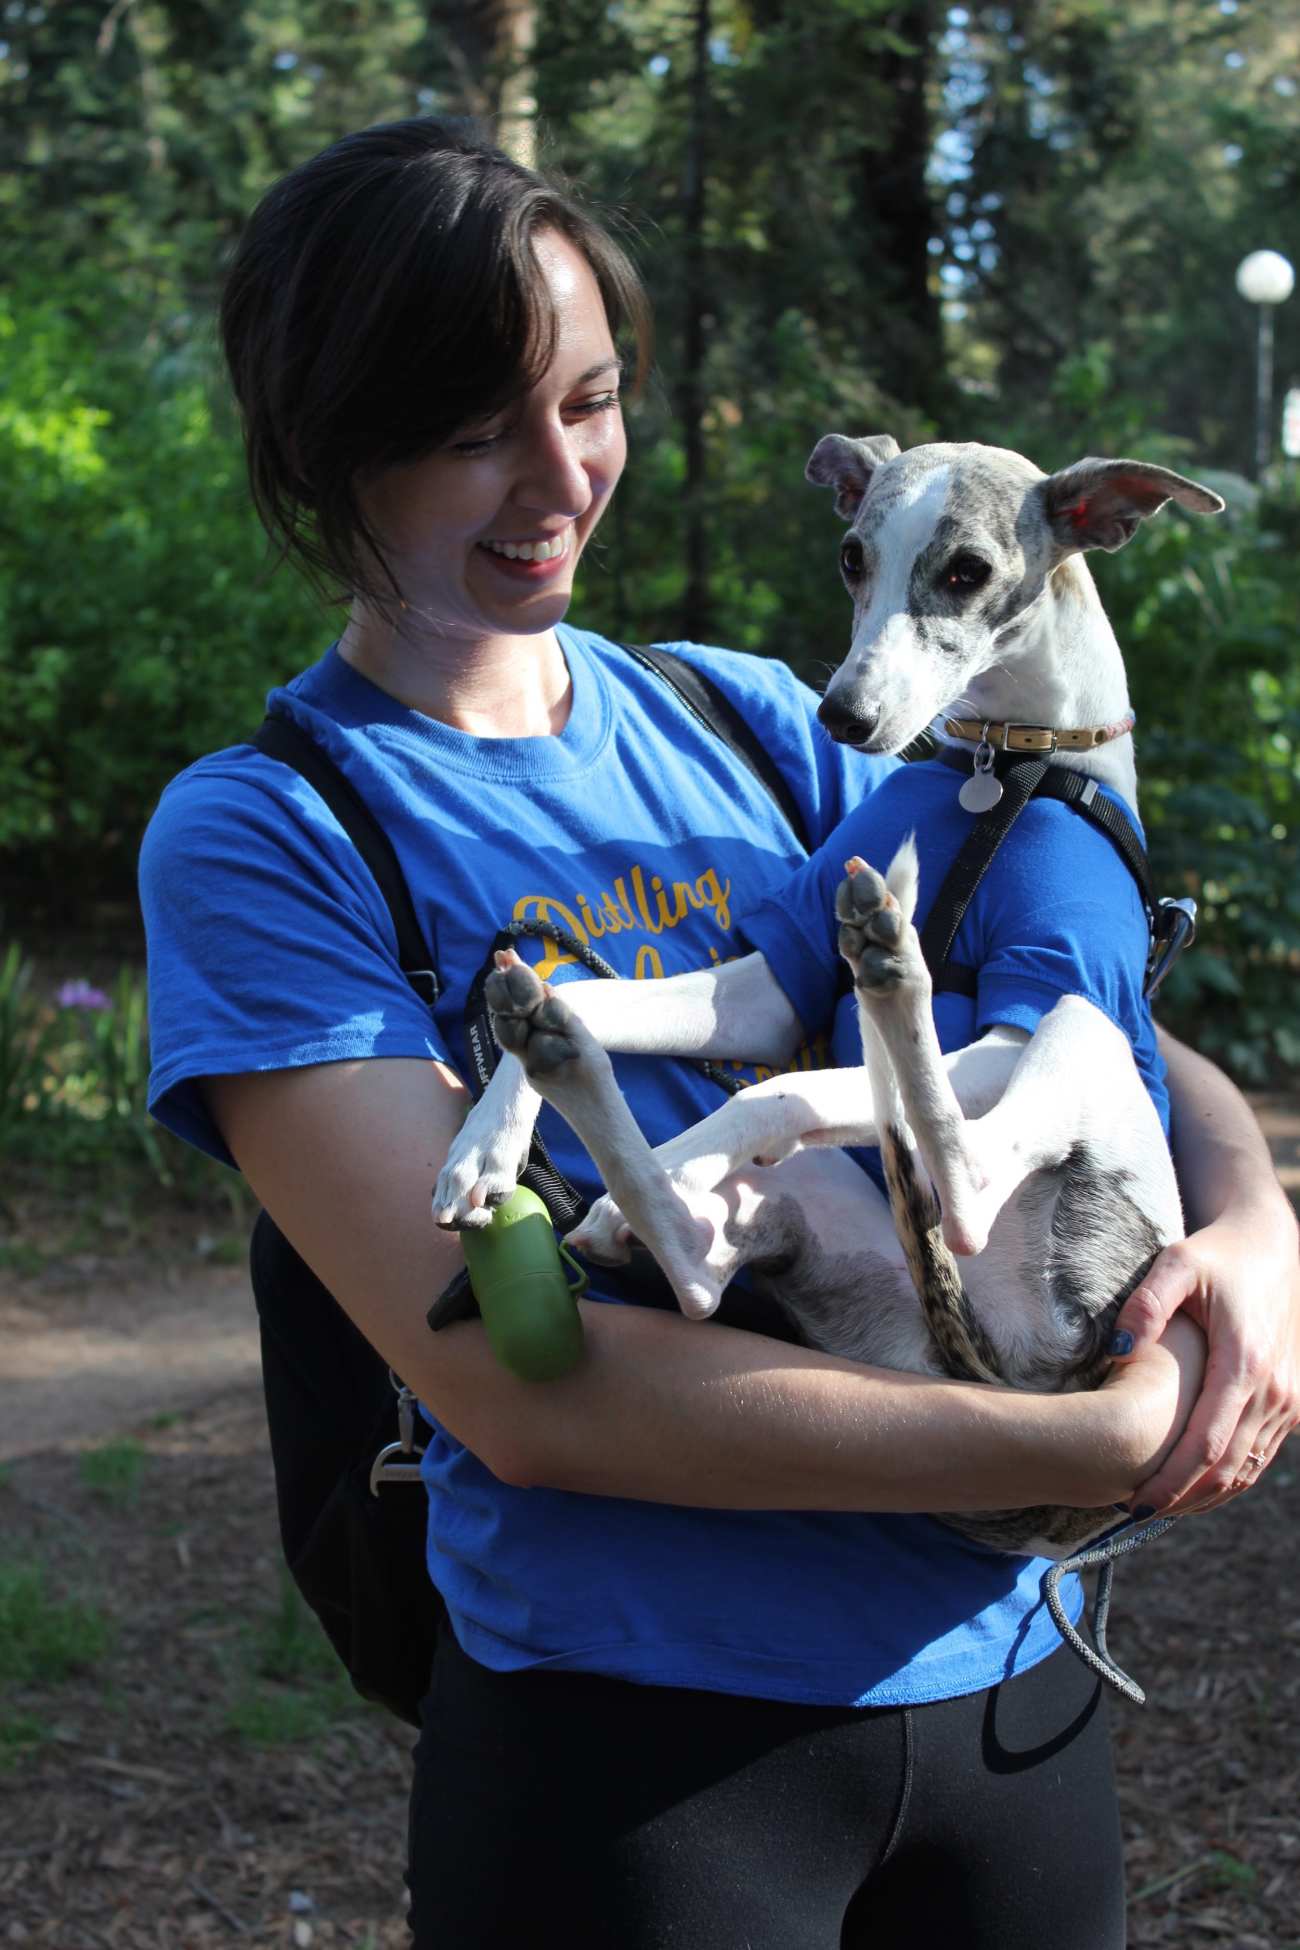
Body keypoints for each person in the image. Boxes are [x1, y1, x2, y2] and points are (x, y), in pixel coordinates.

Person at [139, 118, 1299, 1950]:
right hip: (645, 1764)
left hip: (1008, 1705)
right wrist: (1078, 1445)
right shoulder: (274, 829)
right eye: (470, 431)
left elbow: (1087, 1007)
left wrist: (1257, 1232)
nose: (558, 478)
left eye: (590, 402)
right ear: (327, 440)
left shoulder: (759, 719)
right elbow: (523, 1395)